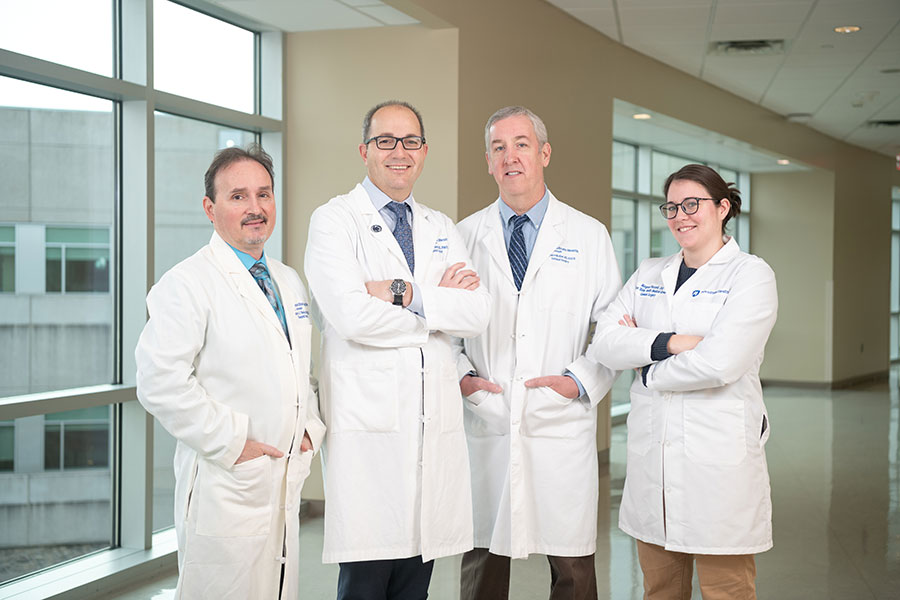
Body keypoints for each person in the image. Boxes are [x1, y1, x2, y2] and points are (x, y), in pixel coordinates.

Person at [304, 100, 491, 600]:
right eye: (385, 141)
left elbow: (477, 314)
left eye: (410, 141)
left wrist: (403, 293)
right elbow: (349, 316)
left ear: (424, 152)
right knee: (365, 586)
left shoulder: (440, 226)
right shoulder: (334, 221)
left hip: (430, 434)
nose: (398, 152)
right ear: (365, 151)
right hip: (370, 438)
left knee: (415, 586)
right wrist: (436, 316)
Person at [135, 144, 325, 599]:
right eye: (238, 196)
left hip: (281, 475)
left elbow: (301, 369)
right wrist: (235, 442)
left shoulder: (287, 280)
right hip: (229, 482)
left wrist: (309, 429)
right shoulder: (186, 285)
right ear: (210, 208)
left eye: (264, 194)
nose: (255, 208)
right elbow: (160, 383)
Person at [588, 164, 778, 599]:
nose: (680, 215)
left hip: (718, 464)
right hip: (653, 462)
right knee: (660, 588)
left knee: (725, 590)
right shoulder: (650, 273)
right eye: (671, 207)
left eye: (692, 204)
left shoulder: (750, 275)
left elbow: (720, 364)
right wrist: (671, 342)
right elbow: (605, 342)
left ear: (722, 207)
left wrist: (647, 369)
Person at [455, 106, 621, 600]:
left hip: (559, 422)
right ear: (488, 161)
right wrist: (462, 379)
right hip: (488, 417)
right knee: (481, 563)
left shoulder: (588, 236)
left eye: (522, 144)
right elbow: (442, 333)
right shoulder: (463, 236)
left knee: (572, 567)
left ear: (544, 153)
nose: (511, 157)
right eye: (499, 147)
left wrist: (580, 381)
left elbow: (613, 328)